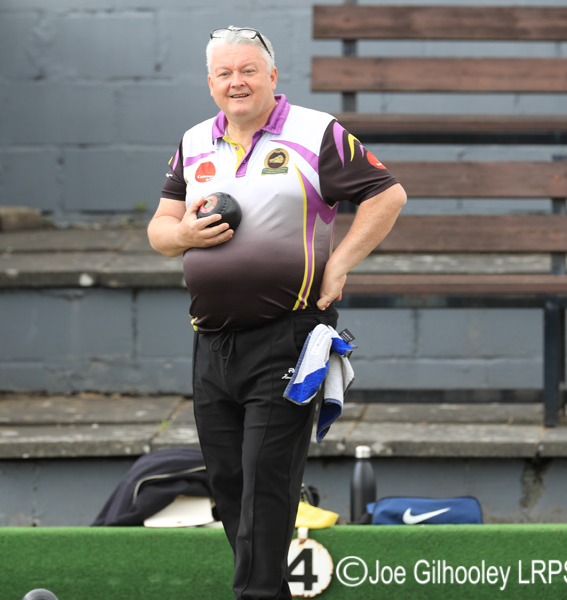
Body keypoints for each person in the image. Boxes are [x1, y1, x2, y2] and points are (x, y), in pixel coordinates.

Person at [146, 27, 406, 599]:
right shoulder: (194, 143)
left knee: (266, 484)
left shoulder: (317, 134)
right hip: (211, 344)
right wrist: (184, 232)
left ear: (272, 76)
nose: (236, 82)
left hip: (288, 337)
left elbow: (387, 195)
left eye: (248, 70)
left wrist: (339, 264)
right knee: (231, 487)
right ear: (210, 83)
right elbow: (160, 231)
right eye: (224, 73)